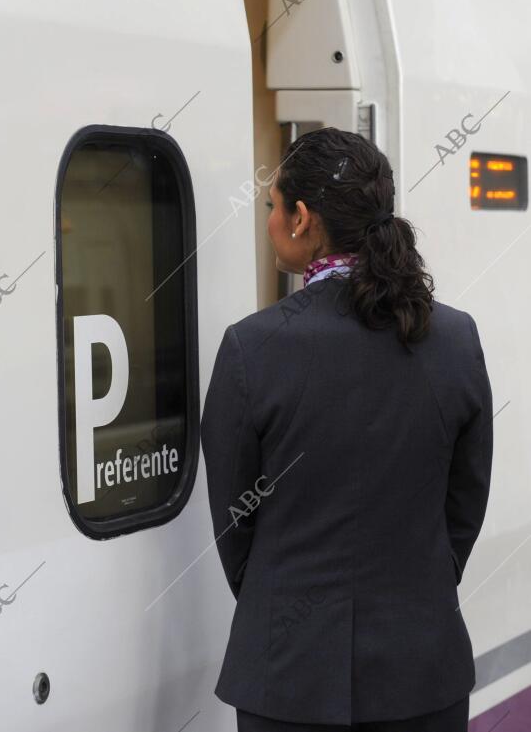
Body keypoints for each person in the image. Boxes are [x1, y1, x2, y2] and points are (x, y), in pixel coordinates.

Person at [200, 127, 493, 732]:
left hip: (287, 684)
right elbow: (465, 502)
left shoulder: (251, 348)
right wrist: (417, 587)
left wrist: (278, 603)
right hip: (423, 675)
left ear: (302, 218)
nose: (271, 220)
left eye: (273, 207)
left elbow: (235, 525)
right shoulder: (456, 339)